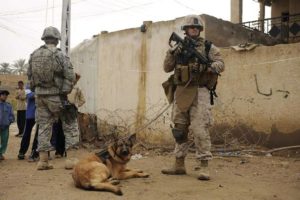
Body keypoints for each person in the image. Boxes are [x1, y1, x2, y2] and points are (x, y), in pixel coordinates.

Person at [161, 15, 224, 180]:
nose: (194, 30)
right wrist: (172, 52)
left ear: (200, 30)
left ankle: (204, 167)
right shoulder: (178, 48)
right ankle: (179, 165)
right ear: (186, 30)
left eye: (197, 28)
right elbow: (167, 68)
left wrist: (207, 67)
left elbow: (220, 64)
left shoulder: (209, 47)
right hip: (181, 91)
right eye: (191, 27)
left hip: (200, 92)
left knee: (199, 129)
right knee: (179, 129)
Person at [27, 26, 75, 170]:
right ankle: (71, 160)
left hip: (39, 97)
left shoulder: (34, 54)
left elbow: (29, 76)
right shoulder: (59, 55)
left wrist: (38, 91)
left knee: (43, 127)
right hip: (56, 96)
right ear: (56, 39)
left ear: (44, 38)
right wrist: (64, 92)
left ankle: (43, 161)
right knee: (70, 123)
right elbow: (70, 76)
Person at [17, 85, 39, 160]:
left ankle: (34, 152)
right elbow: (29, 96)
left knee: (39, 134)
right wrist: (40, 93)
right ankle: (22, 152)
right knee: (26, 133)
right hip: (31, 114)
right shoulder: (29, 85)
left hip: (41, 114)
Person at [0, 90, 15, 160]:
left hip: (5, 127)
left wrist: (9, 121)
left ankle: (0, 153)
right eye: (3, 94)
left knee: (4, 141)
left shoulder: (8, 105)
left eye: (6, 95)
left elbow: (12, 116)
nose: (5, 96)